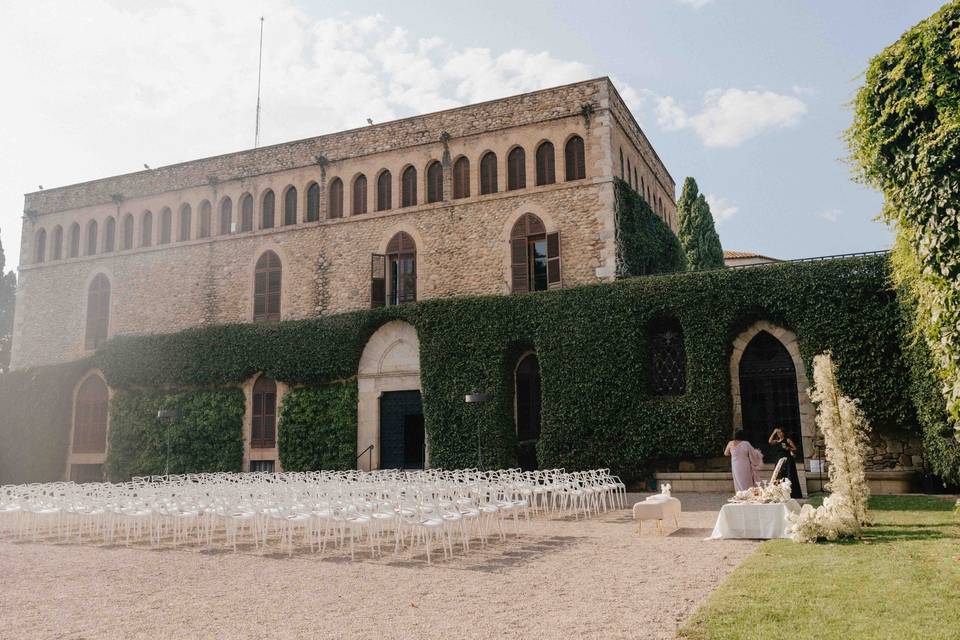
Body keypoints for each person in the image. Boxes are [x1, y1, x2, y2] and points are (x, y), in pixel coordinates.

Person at [769, 426, 803, 499]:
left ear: (783, 433)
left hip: (787, 460)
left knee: (789, 476)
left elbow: (795, 448)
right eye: (778, 432)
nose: (779, 434)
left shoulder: (787, 440)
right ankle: (779, 493)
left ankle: (792, 493)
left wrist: (789, 448)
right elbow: (770, 441)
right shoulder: (776, 441)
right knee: (778, 476)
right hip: (779, 461)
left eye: (780, 432)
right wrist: (774, 432)